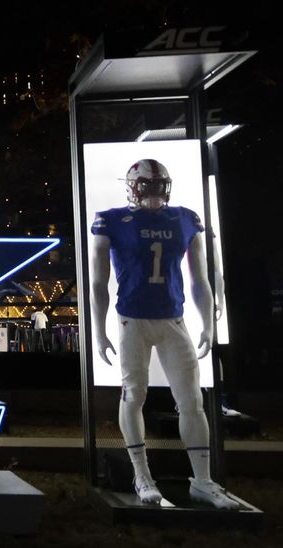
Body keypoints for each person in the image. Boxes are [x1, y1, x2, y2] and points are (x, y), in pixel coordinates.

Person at [91, 158, 238, 509]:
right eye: (148, 186)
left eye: (160, 186)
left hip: (174, 318)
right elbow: (98, 283)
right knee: (133, 395)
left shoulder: (184, 219)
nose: (155, 193)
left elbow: (200, 278)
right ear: (133, 186)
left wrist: (208, 322)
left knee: (192, 401)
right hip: (132, 320)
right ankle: (142, 476)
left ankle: (202, 480)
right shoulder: (111, 220)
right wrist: (98, 331)